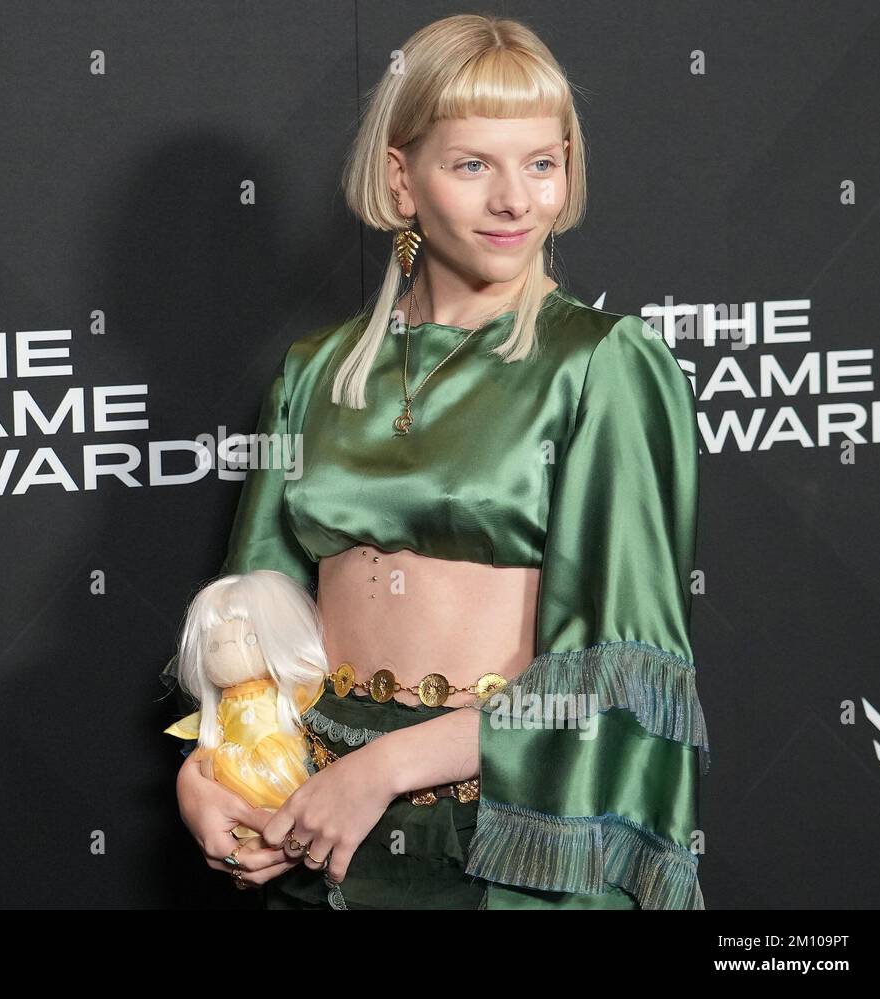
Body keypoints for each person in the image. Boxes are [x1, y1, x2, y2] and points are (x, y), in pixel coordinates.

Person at [162, 12, 709, 909]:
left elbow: (619, 670)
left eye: (542, 162)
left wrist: (384, 767)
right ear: (399, 178)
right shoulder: (318, 370)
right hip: (317, 821)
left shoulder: (603, 363)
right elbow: (251, 617)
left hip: (510, 828)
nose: (516, 201)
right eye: (472, 165)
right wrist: (210, 773)